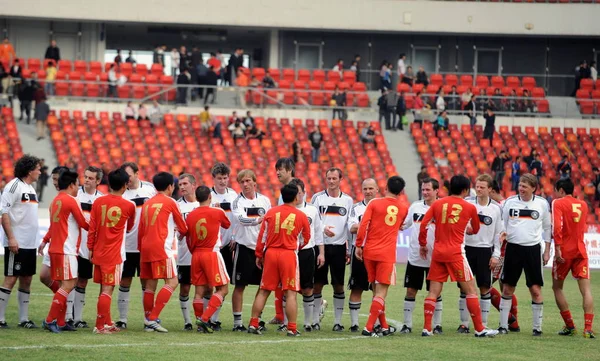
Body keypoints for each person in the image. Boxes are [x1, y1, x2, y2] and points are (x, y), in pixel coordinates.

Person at [419, 175, 498, 338]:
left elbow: (424, 225)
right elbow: (475, 229)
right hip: (456, 253)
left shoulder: (437, 204)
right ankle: (479, 329)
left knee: (434, 291)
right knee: (471, 290)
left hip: (438, 253)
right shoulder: (469, 207)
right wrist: (467, 229)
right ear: (465, 190)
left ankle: (427, 328)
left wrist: (422, 244)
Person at [247, 184, 311, 337]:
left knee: (263, 291)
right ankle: (292, 328)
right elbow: (306, 238)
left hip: (271, 254)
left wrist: (259, 254)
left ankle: (253, 323)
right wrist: (296, 247)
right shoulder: (301, 216)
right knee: (290, 293)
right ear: (296, 197)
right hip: (288, 254)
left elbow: (262, 236)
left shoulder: (271, 212)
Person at [355, 176, 408, 337]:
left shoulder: (374, 203)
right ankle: (369, 327)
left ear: (385, 188)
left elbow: (363, 225)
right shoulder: (404, 208)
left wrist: (359, 245)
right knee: (381, 293)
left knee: (375, 291)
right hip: (386, 253)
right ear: (401, 192)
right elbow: (400, 226)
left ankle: (384, 326)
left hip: (370, 251)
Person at [499, 173, 551, 336]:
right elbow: (503, 226)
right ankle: (503, 326)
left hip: (533, 250)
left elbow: (548, 228)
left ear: (533, 188)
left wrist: (547, 251)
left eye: (525, 186)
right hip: (513, 249)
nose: (521, 189)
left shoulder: (542, 204)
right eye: (520, 185)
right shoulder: (510, 202)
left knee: (535, 289)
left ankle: (537, 328)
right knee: (507, 288)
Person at [87, 169, 136, 334]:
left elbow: (92, 228)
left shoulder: (98, 202)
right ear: (124, 186)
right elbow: (129, 228)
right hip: (114, 254)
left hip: (98, 251)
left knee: (104, 289)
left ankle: (106, 322)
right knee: (108, 289)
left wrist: (90, 248)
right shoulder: (129, 205)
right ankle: (99, 326)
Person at [40, 170, 89, 333]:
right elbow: (84, 223)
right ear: (71, 185)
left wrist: (45, 240)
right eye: (77, 184)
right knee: (69, 284)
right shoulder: (71, 200)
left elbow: (53, 227)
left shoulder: (55, 201)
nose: (78, 187)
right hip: (66, 250)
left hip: (55, 249)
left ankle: (61, 321)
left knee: (63, 285)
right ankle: (49, 320)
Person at [138, 172, 188, 333]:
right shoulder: (170, 202)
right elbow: (183, 227)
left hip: (145, 246)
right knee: (172, 282)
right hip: (161, 247)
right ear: (170, 187)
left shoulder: (147, 203)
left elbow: (141, 228)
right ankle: (153, 318)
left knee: (150, 285)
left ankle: (148, 319)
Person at [456, 174, 503, 333]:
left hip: (485, 251)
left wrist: (496, 255)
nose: (479, 189)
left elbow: (499, 233)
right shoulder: (467, 203)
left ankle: (483, 323)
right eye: (477, 186)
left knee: (484, 288)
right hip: (467, 249)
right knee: (463, 288)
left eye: (482, 187)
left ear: (490, 189)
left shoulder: (496, 208)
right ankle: (464, 324)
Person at [0, 155, 42, 329]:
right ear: (29, 170)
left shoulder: (31, 188)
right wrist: (11, 238)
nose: (40, 171)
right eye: (38, 168)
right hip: (16, 243)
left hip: (30, 243)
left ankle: (23, 319)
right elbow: (4, 214)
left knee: (27, 279)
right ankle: (0, 318)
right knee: (10, 278)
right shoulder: (13, 186)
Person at [311, 168, 354, 331]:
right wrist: (323, 228)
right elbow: (313, 220)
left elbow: (349, 226)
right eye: (328, 178)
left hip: (339, 248)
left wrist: (349, 248)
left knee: (339, 285)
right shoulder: (318, 198)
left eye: (334, 178)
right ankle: (315, 320)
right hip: (320, 246)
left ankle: (338, 321)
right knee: (318, 284)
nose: (331, 181)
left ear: (340, 179)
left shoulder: (348, 201)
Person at [551, 178, 595, 338]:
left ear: (561, 190)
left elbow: (557, 226)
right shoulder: (583, 204)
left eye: (556, 190)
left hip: (564, 252)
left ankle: (570, 326)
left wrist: (557, 248)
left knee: (557, 288)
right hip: (581, 251)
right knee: (586, 291)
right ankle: (588, 329)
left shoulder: (558, 202)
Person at [115, 162, 156, 329]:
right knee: (125, 282)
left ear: (137, 173)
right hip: (126, 246)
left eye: (129, 176)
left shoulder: (150, 189)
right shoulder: (121, 193)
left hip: (146, 246)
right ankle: (122, 319)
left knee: (146, 283)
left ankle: (148, 320)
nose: (127, 180)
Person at [186, 186, 231, 333]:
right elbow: (227, 224)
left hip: (196, 254)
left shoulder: (191, 215)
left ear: (197, 198)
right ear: (210, 196)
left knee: (199, 291)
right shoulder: (217, 212)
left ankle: (200, 325)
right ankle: (205, 319)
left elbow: (188, 235)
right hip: (211, 253)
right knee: (223, 289)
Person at [230, 169, 271, 331]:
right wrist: (257, 221)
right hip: (244, 248)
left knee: (264, 286)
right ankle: (237, 322)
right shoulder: (237, 201)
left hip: (262, 249)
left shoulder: (265, 200)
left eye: (248, 181)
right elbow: (240, 219)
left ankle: (256, 319)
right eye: (242, 182)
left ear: (255, 182)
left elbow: (270, 222)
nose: (245, 184)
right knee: (240, 286)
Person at [400, 178, 440, 334]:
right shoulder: (415, 206)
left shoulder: (442, 207)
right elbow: (406, 224)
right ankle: (407, 325)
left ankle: (437, 325)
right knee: (411, 291)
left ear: (437, 190)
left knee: (436, 292)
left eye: (428, 190)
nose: (424, 192)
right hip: (415, 256)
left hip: (435, 258)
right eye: (423, 189)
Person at [66, 166, 104, 328]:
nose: (86, 180)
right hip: (73, 246)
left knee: (82, 282)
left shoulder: (101, 199)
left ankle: (78, 318)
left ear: (98, 181)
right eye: (85, 177)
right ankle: (67, 316)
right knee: (70, 281)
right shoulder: (75, 196)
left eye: (90, 178)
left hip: (89, 247)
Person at [287, 178, 324, 332]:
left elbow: (318, 232)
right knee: (288, 288)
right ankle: (286, 322)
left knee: (308, 288)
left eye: (300, 193)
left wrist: (321, 253)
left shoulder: (312, 210)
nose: (297, 196)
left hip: (307, 252)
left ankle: (308, 322)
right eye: (295, 193)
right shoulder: (286, 210)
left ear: (304, 193)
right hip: (289, 252)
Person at [208, 163, 238, 330]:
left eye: (225, 178)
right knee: (207, 286)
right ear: (214, 179)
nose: (222, 181)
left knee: (221, 285)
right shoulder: (208, 196)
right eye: (219, 178)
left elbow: (236, 220)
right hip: (210, 247)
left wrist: (234, 236)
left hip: (226, 246)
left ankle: (214, 318)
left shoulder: (233, 196)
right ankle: (204, 317)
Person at [347, 179, 379, 332]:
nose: (368, 191)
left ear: (377, 189)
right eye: (365, 188)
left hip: (378, 251)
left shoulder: (383, 207)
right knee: (357, 287)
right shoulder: (356, 208)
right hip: (359, 251)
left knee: (377, 289)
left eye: (371, 188)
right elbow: (352, 227)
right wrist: (368, 225)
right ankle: (354, 324)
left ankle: (378, 322)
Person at [175, 174, 199, 331]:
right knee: (185, 288)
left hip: (201, 254)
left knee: (205, 287)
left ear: (193, 184)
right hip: (184, 253)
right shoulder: (177, 206)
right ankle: (187, 321)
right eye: (180, 184)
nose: (182, 187)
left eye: (185, 183)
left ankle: (202, 319)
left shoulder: (202, 204)